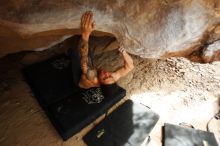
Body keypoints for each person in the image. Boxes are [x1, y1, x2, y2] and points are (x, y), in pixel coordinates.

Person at [69, 11, 134, 96]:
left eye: (104, 78)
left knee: (77, 51)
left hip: (79, 76)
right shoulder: (112, 78)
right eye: (110, 76)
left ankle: (69, 51)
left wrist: (85, 34)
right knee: (90, 51)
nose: (107, 74)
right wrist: (123, 52)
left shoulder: (93, 79)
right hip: (88, 70)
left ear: (100, 83)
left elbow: (83, 59)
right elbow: (130, 66)